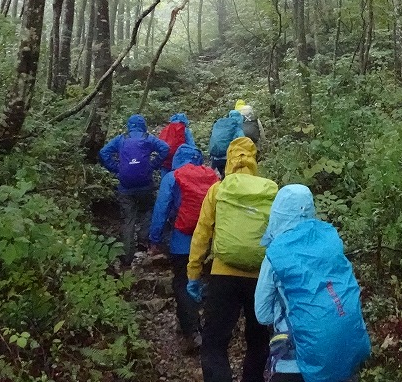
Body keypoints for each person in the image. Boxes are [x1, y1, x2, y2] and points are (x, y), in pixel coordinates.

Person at [254, 184, 371, 382]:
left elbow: (262, 314)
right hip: (341, 357)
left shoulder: (275, 255)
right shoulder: (330, 242)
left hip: (293, 364)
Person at [188, 137, 277, 382]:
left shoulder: (218, 189)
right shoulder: (271, 190)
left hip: (223, 275)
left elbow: (202, 233)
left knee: (214, 342)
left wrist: (194, 273)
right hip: (260, 277)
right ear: (254, 159)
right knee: (258, 340)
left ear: (228, 159)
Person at [149, 143, 220, 353]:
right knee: (207, 281)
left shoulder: (172, 177)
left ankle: (191, 330)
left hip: (182, 242)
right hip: (209, 242)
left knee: (183, 283)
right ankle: (211, 328)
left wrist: (155, 238)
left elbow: (161, 208)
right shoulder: (211, 177)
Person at [98, 114, 170, 265]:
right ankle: (144, 240)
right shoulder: (148, 139)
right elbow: (165, 148)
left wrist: (116, 168)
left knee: (128, 219)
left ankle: (127, 257)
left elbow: (103, 152)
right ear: (144, 125)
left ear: (129, 126)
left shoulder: (121, 139)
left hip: (125, 186)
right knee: (147, 209)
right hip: (145, 184)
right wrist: (153, 165)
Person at [207, 108, 245, 177]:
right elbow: (243, 143)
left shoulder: (221, 126)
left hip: (215, 157)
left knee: (220, 176)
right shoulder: (237, 128)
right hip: (228, 158)